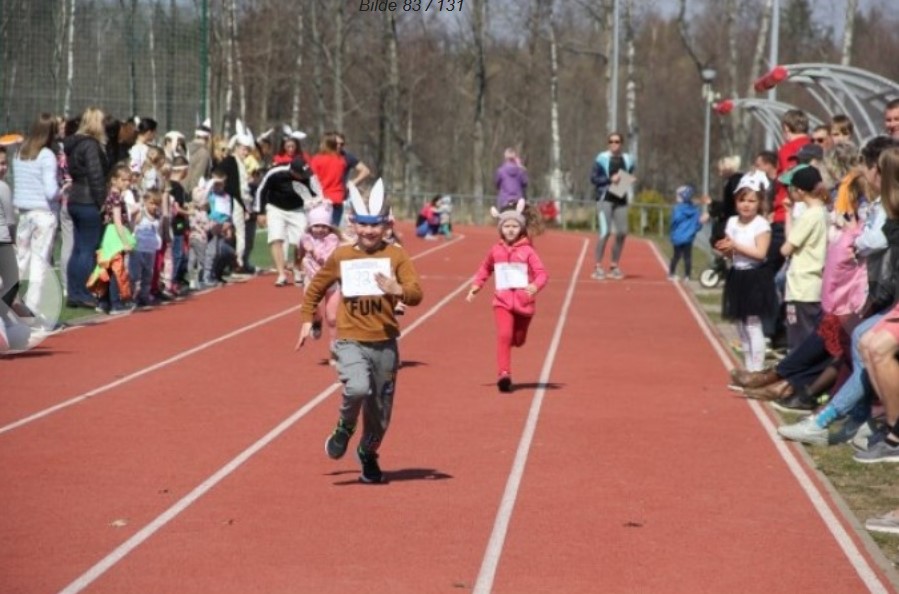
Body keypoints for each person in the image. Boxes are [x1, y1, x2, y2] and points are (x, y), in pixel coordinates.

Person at [295, 179, 423, 484]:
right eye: (363, 225)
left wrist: (398, 289)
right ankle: (344, 426)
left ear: (386, 225)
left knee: (380, 414)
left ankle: (368, 453)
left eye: (375, 225)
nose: (369, 232)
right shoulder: (342, 256)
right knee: (357, 388)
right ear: (353, 223)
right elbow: (317, 286)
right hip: (350, 339)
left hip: (385, 343)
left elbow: (417, 293)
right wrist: (304, 318)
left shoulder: (396, 256)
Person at [466, 199, 549, 392]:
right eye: (506, 226)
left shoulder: (528, 251)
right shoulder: (496, 251)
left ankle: (512, 342)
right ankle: (504, 374)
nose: (510, 230)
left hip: (524, 304)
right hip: (502, 302)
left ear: (520, 228)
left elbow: (542, 274)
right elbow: (485, 268)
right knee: (504, 335)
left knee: (517, 340)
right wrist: (477, 285)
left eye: (514, 226)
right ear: (500, 229)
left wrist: (535, 286)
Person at [716, 173, 777, 373]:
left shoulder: (761, 225)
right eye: (742, 200)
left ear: (760, 202)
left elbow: (760, 253)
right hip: (737, 275)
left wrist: (736, 246)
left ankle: (756, 371)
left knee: (752, 324)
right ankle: (748, 366)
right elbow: (731, 252)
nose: (746, 205)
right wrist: (725, 250)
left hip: (755, 277)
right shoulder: (732, 222)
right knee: (740, 325)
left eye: (752, 200)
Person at [12, 113, 61, 320]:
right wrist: (63, 189)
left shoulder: (19, 153)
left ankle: (8, 300)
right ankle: (31, 308)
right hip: (43, 213)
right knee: (39, 262)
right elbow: (51, 191)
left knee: (19, 260)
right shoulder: (46, 155)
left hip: (23, 212)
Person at [63, 106, 110, 309]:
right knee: (87, 249)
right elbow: (96, 176)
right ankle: (82, 292)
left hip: (76, 198)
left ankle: (74, 291)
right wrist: (102, 204)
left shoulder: (74, 144)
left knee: (78, 248)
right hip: (88, 199)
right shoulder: (91, 145)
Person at [781, 166, 828, 353]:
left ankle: (802, 381)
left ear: (799, 191)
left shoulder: (810, 216)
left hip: (802, 286)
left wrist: (788, 215)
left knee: (800, 342)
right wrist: (788, 213)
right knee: (809, 338)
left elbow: (786, 248)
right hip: (815, 284)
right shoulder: (823, 212)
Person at [255, 155, 316, 287]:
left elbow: (315, 193)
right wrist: (260, 212)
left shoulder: (308, 176)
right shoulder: (276, 172)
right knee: (276, 238)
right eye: (301, 174)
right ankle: (281, 273)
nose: (303, 176)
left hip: (297, 209)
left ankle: (296, 267)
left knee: (301, 241)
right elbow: (261, 190)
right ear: (293, 171)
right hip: (275, 207)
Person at [297, 202, 344, 364]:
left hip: (330, 279)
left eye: (324, 226)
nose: (320, 229)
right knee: (312, 307)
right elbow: (299, 252)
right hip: (312, 278)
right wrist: (298, 264)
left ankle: (334, 351)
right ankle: (317, 320)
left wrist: (313, 251)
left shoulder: (333, 239)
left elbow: (326, 260)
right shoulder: (304, 237)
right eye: (316, 226)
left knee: (332, 317)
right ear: (310, 225)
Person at [88, 164, 135, 314]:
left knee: (107, 267)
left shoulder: (111, 195)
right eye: (123, 180)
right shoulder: (115, 197)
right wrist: (125, 241)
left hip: (109, 233)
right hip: (114, 234)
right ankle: (115, 303)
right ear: (114, 180)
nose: (127, 183)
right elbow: (117, 220)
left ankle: (104, 302)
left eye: (128, 180)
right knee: (116, 268)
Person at [590, 132, 635, 280]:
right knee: (605, 231)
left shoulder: (628, 159)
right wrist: (610, 179)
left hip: (620, 197)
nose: (614, 144)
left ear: (621, 143)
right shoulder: (602, 158)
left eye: (617, 141)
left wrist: (628, 180)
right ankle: (597, 266)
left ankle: (614, 266)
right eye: (611, 141)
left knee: (622, 232)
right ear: (608, 143)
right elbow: (593, 178)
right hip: (604, 198)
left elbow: (628, 174)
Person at [668, 184, 709, 281]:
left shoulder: (677, 209)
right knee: (687, 257)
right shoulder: (694, 210)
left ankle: (671, 273)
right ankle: (687, 276)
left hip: (677, 237)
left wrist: (672, 233)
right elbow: (697, 224)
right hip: (688, 237)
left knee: (676, 256)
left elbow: (674, 222)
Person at [309, 132, 349, 228]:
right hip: (337, 199)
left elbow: (313, 180)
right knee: (333, 230)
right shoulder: (341, 161)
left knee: (319, 231)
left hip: (321, 199)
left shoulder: (316, 160)